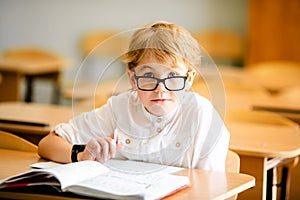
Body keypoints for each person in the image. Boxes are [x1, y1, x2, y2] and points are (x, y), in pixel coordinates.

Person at [38, 21, 230, 171]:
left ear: (189, 78)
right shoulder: (120, 109)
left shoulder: (203, 116)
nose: (160, 89)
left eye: (172, 76)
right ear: (132, 78)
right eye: (148, 76)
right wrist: (81, 155)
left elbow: (210, 187)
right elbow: (48, 144)